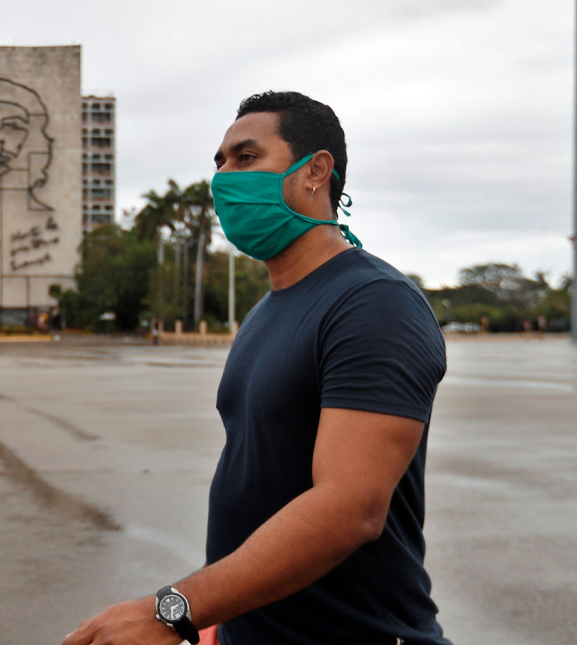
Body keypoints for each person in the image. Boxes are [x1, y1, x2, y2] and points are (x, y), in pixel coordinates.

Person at [63, 91, 450, 645]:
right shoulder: (269, 309)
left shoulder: (373, 303)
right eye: (219, 163)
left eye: (246, 158)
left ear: (316, 171)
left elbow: (350, 507)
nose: (224, 178)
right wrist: (226, 620)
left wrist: (172, 611)